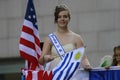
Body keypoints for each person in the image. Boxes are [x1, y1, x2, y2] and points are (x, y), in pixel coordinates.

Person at [39, 4, 92, 71]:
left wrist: (87, 65)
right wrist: (45, 58)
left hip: (72, 76)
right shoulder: (49, 39)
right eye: (59, 17)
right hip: (55, 75)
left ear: (69, 18)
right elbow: (40, 61)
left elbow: (83, 58)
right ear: (56, 20)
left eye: (65, 16)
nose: (62, 19)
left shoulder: (77, 38)